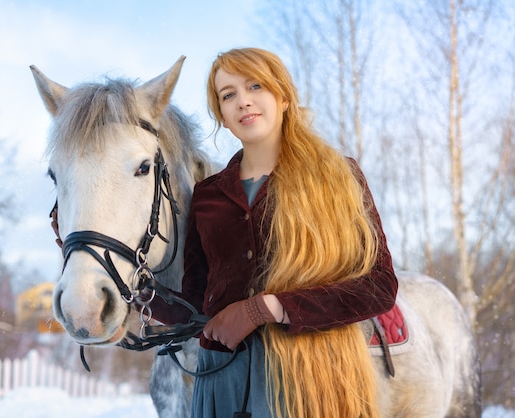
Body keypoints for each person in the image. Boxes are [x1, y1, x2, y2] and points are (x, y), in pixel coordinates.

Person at [144, 47, 398, 418]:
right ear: (223, 117)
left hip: (310, 382)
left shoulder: (339, 177)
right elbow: (197, 304)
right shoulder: (208, 195)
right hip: (220, 385)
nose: (243, 101)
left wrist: (263, 308)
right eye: (228, 95)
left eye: (255, 86)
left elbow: (378, 286)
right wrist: (135, 292)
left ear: (282, 96)